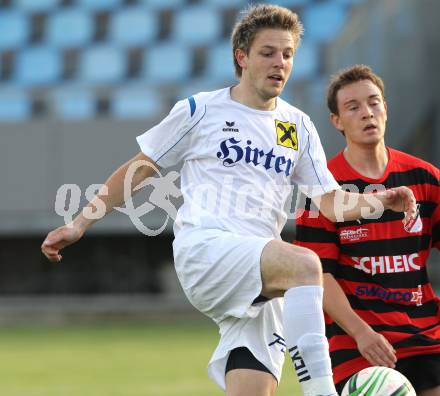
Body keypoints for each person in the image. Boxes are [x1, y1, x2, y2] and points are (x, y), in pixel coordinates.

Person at [41, 7, 416, 396]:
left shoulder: (297, 125)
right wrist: (80, 222)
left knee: (254, 388)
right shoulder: (201, 110)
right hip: (207, 249)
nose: (279, 63)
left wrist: (380, 202)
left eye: (287, 54)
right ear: (242, 57)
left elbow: (331, 203)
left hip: (260, 275)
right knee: (306, 263)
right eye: (268, 53)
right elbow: (141, 168)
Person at [294, 64, 440, 395]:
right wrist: (362, 334)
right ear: (336, 120)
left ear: (386, 107)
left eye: (374, 102)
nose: (367, 113)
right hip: (357, 343)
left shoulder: (426, 178)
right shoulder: (324, 189)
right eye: (353, 107)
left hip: (424, 334)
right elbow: (320, 276)